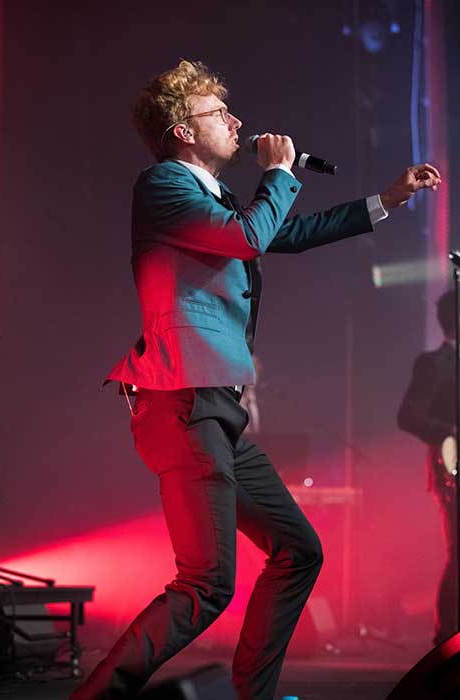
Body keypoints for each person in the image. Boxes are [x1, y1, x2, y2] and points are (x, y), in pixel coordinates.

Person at [71, 60, 441, 700]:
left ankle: (253, 696)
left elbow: (282, 233)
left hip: (215, 408)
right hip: (183, 400)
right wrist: (278, 173)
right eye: (220, 113)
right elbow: (251, 236)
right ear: (184, 131)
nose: (237, 121)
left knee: (298, 550)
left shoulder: (211, 198)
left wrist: (388, 199)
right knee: (205, 584)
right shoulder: (163, 184)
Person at [398, 291, 458, 645]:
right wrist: (450, 430)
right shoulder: (434, 364)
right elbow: (408, 415)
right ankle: (447, 638)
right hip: (450, 467)